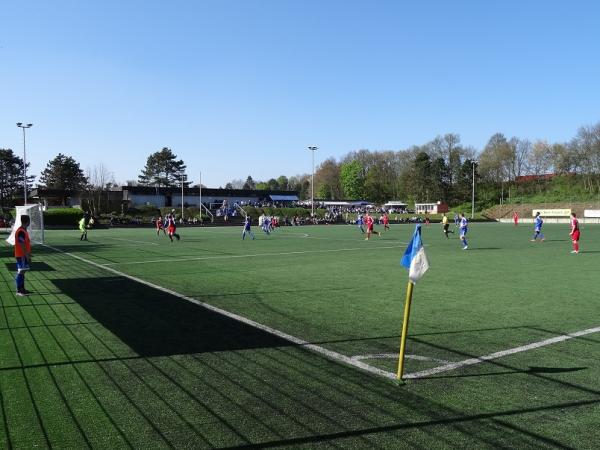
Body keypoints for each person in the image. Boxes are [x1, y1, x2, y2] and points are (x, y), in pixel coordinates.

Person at [14, 215, 32, 296]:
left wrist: (28, 254)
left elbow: (25, 243)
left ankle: (22, 289)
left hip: (23, 255)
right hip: (21, 255)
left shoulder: (23, 230)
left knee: (22, 272)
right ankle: (19, 291)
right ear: (28, 221)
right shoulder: (21, 231)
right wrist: (26, 255)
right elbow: (21, 244)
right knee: (20, 272)